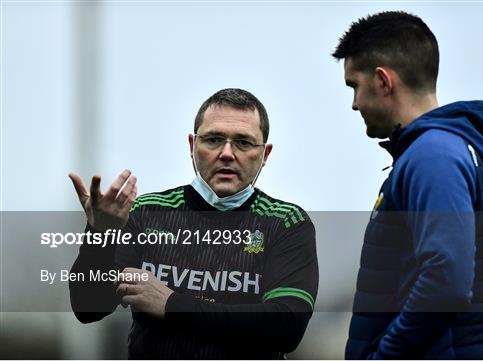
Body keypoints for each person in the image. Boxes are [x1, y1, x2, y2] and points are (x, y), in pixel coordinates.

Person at [68, 88, 318, 359]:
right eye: (213, 139)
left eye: (243, 142)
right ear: (191, 146)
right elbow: (88, 307)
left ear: (265, 154)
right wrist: (101, 233)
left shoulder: (286, 223)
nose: (226, 153)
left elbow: (286, 327)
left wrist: (171, 305)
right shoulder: (145, 213)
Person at [332, 11, 483, 359]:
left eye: (354, 85)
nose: (354, 104)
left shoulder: (433, 156)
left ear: (383, 81)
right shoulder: (439, 151)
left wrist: (384, 356)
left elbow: (448, 281)